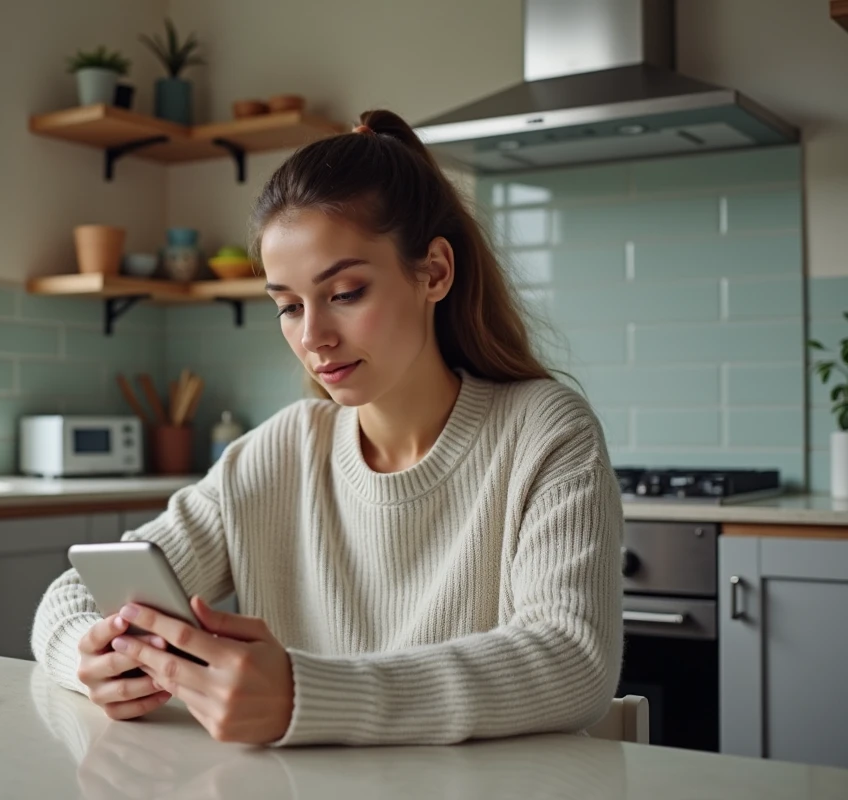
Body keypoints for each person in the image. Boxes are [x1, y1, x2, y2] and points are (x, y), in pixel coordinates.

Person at [31, 109, 623, 747]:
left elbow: (572, 658)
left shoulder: (544, 431)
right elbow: (75, 595)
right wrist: (91, 661)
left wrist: (306, 697)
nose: (312, 337)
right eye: (288, 305)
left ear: (435, 272)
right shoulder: (278, 451)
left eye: (345, 293)